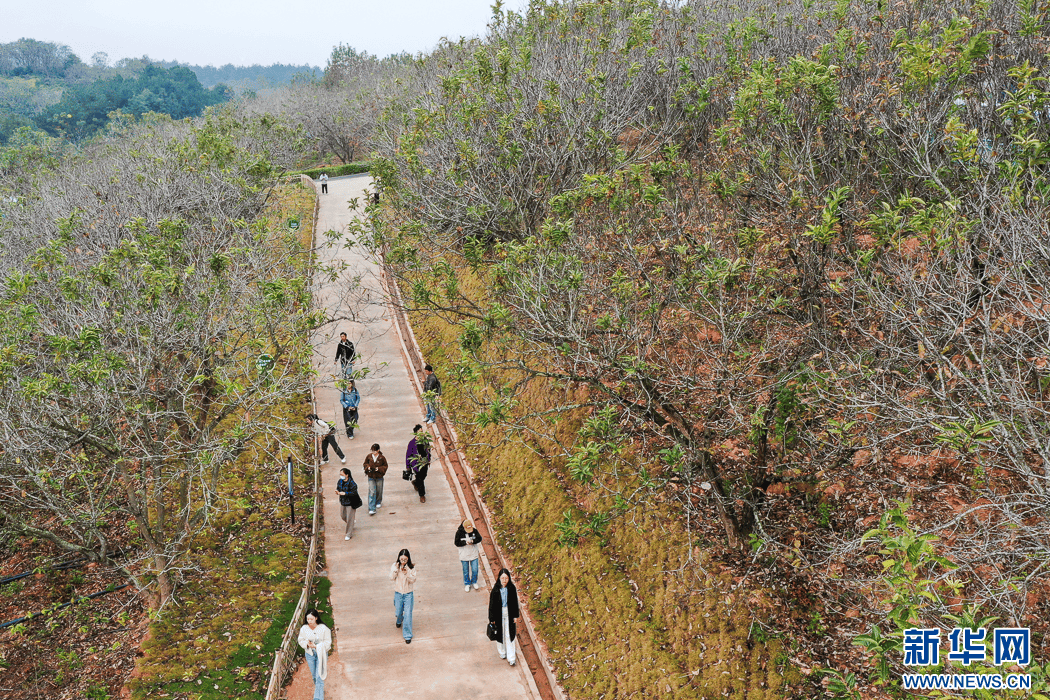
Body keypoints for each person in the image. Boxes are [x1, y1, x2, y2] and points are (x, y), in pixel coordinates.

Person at [297, 608, 331, 700]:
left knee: (319, 675)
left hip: (321, 654)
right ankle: (319, 689)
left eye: (311, 619)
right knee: (314, 676)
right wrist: (307, 644)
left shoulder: (324, 629)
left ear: (316, 618)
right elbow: (300, 640)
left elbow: (328, 643)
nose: (309, 621)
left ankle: (318, 697)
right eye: (307, 619)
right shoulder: (304, 628)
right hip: (309, 655)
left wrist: (316, 647)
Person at [488, 568, 520, 665]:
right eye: (502, 578)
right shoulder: (496, 589)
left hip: (509, 614)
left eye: (506, 578)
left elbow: (515, 603)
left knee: (509, 635)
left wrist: (515, 616)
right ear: (499, 578)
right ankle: (502, 652)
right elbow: (492, 605)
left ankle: (511, 658)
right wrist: (492, 618)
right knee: (500, 634)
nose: (504, 580)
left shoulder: (512, 588)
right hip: (499, 614)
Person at [390, 549, 417, 644]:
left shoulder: (411, 567)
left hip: (408, 593)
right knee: (398, 611)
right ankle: (399, 619)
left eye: (405, 560)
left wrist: (407, 573)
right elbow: (391, 578)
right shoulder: (395, 566)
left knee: (408, 614)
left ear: (408, 559)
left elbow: (413, 580)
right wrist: (396, 570)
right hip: (398, 593)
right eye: (401, 559)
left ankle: (407, 635)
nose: (403, 562)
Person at [454, 519, 482, 591]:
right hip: (464, 554)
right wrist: (465, 543)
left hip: (473, 553)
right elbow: (456, 543)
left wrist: (473, 541)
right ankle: (467, 583)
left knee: (475, 569)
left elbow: (479, 538)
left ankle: (474, 581)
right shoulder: (459, 533)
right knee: (466, 571)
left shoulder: (474, 531)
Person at [406, 424, 431, 503]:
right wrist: (408, 466)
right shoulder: (412, 443)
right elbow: (408, 455)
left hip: (424, 463)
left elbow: (428, 451)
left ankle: (415, 482)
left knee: (424, 475)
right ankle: (422, 495)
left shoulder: (425, 441)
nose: (422, 433)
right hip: (416, 465)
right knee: (420, 478)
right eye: (420, 432)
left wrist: (428, 459)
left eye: (422, 431)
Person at [335, 467, 362, 540]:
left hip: (350, 503)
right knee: (343, 515)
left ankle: (348, 534)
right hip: (343, 502)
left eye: (342, 474)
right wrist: (337, 491)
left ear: (347, 475)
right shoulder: (340, 481)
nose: (341, 476)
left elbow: (354, 493)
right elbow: (338, 487)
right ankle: (352, 522)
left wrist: (345, 493)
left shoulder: (352, 483)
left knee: (349, 519)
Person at [363, 443, 388, 515]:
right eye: (372, 451)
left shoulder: (382, 458)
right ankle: (371, 508)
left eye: (374, 451)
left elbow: (385, 466)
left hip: (379, 477)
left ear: (378, 450)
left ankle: (378, 501)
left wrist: (378, 469)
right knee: (372, 491)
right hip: (371, 476)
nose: (373, 452)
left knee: (379, 490)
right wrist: (368, 467)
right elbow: (365, 463)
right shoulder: (369, 456)